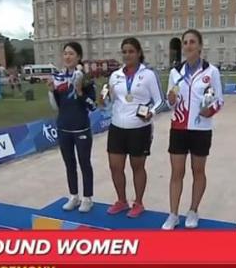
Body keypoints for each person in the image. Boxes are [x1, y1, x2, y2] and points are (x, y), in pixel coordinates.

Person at [163, 29, 224, 230]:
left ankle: (193, 210)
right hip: (179, 127)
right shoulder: (175, 72)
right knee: (176, 172)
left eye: (192, 42)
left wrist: (210, 111)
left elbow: (219, 100)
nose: (188, 45)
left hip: (201, 128)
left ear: (200, 46)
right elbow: (170, 101)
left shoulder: (211, 72)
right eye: (185, 42)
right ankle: (173, 214)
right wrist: (171, 100)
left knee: (198, 171)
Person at [99, 37, 164, 218]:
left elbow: (161, 101)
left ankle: (139, 203)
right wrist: (103, 100)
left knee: (137, 167)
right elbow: (111, 100)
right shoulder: (115, 76)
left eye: (131, 51)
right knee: (115, 166)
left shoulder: (148, 75)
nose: (127, 55)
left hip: (139, 127)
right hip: (117, 127)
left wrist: (151, 112)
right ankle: (121, 201)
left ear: (139, 53)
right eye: (124, 52)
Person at [48, 42, 97, 213]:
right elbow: (56, 106)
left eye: (71, 53)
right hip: (63, 128)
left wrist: (80, 92)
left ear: (78, 57)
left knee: (84, 163)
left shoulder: (86, 78)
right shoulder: (58, 77)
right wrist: (51, 91)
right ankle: (74, 196)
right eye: (65, 53)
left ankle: (87, 198)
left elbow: (93, 106)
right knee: (69, 164)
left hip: (81, 128)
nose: (67, 57)